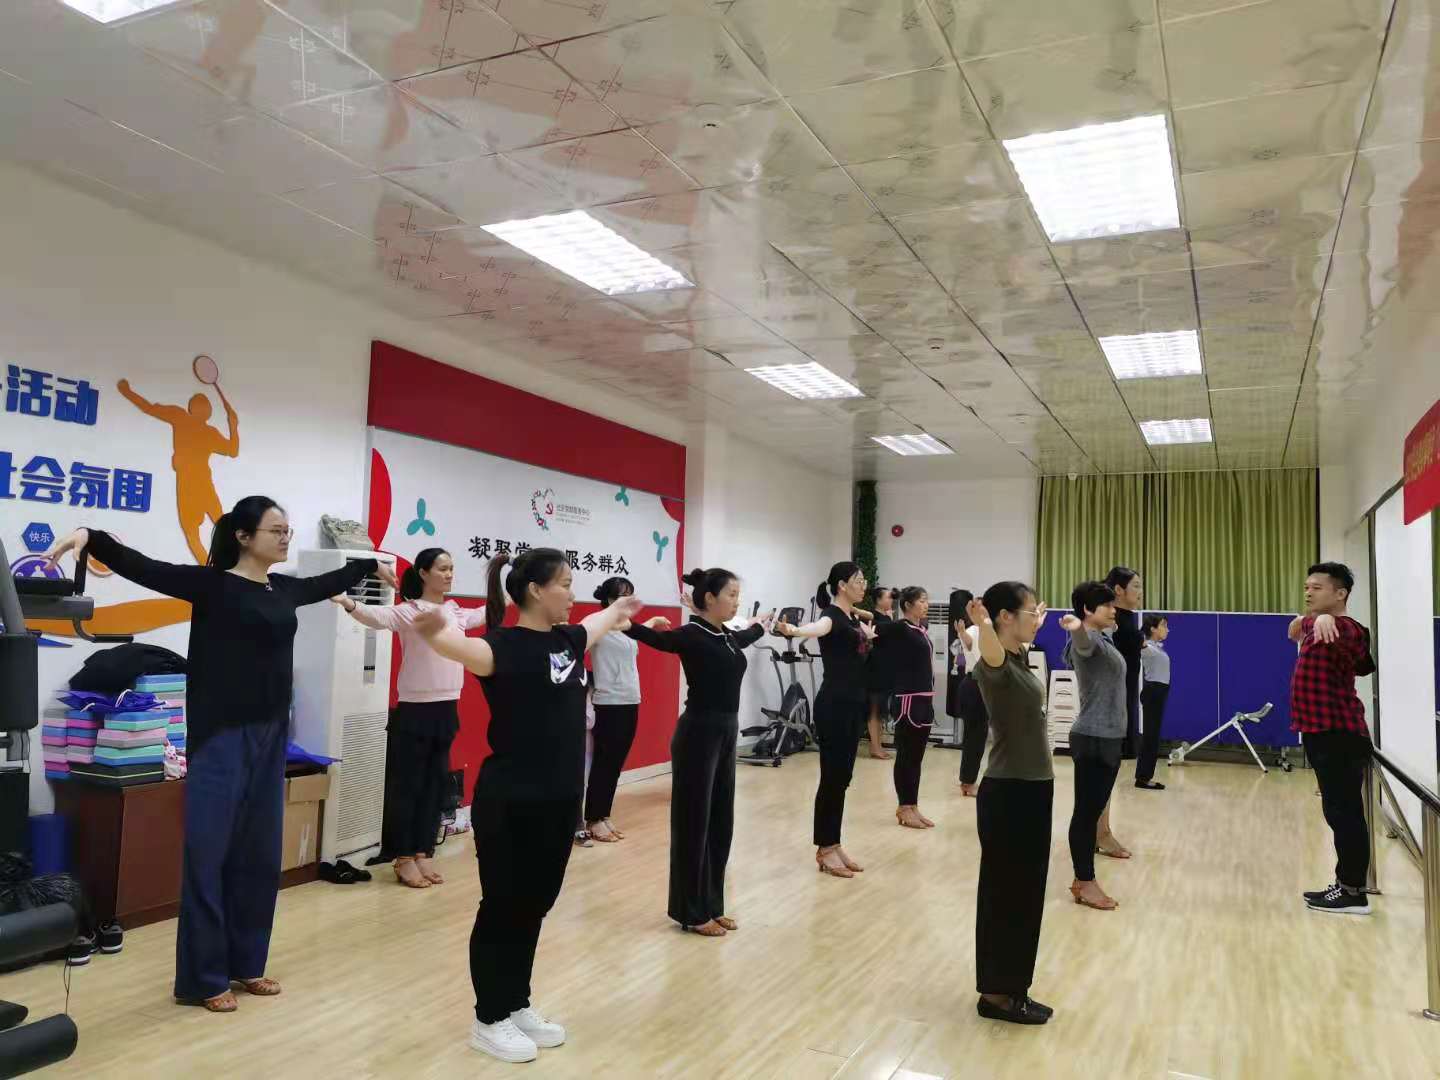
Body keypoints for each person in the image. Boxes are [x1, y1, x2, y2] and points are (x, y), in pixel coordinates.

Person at [44, 499, 396, 1013]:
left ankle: (247, 963)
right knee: (209, 857)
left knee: (259, 856)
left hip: (270, 737)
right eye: (275, 530)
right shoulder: (212, 585)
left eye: (288, 530)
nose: (285, 537)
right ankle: (203, 977)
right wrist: (91, 537)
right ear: (243, 537)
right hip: (221, 738)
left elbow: (327, 582)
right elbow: (145, 567)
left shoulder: (284, 589)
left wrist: (367, 564)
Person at [414, 549, 642, 1062]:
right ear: (536, 590)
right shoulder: (503, 647)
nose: (572, 593)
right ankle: (488, 1018)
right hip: (511, 801)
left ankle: (515, 1003)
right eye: (564, 583)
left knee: (536, 904)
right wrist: (432, 630)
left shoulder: (569, 639)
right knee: (503, 906)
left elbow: (598, 622)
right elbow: (457, 646)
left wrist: (619, 608)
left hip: (560, 801)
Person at [627, 568, 773, 936]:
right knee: (693, 824)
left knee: (720, 823)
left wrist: (762, 625)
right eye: (731, 595)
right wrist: (623, 621)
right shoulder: (691, 635)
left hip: (725, 733)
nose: (736, 601)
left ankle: (711, 904)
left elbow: (746, 636)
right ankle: (690, 912)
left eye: (738, 595)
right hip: (698, 735)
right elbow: (655, 639)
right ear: (709, 598)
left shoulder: (725, 636)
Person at [335, 547, 481, 887]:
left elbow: (486, 613)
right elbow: (377, 617)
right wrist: (349, 603)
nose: (449, 574)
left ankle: (422, 852)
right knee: (409, 787)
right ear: (424, 573)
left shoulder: (455, 612)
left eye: (451, 568)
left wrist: (516, 588)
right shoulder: (411, 611)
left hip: (447, 708)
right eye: (442, 568)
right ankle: (402, 857)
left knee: (434, 786)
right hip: (415, 712)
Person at [966, 585, 1054, 1026]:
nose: (1036, 619)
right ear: (1004, 616)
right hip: (1010, 791)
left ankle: (1014, 987)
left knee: (1026, 895)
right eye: (1028, 611)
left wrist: (1031, 623)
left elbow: (1014, 645)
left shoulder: (1018, 657)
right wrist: (983, 622)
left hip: (1033, 788)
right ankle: (997, 995)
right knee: (1006, 895)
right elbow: (989, 649)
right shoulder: (995, 663)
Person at [777, 561, 875, 878]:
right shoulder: (831, 616)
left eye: (864, 580)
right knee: (832, 778)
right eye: (858, 580)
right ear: (842, 585)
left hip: (854, 704)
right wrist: (794, 631)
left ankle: (834, 843)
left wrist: (867, 631)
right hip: (835, 706)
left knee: (843, 778)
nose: (864, 585)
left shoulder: (852, 617)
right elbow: (817, 628)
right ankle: (825, 847)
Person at [1290, 562, 1376, 916]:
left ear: (1340, 594)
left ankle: (1353, 892)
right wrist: (1308, 620)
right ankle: (1345, 884)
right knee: (1337, 812)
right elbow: (1300, 627)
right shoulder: (1319, 624)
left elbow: (1353, 637)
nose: (1308, 592)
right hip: (1322, 734)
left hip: (1339, 734)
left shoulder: (1347, 629)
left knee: (1345, 814)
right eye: (1307, 587)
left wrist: (1324, 620)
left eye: (1317, 587)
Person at [581, 577, 672, 845]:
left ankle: (602, 814)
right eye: (623, 595)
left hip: (631, 700)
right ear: (609, 599)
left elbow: (632, 636)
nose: (629, 600)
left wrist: (653, 622)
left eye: (631, 594)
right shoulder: (597, 622)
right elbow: (575, 642)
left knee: (614, 765)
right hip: (608, 703)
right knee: (604, 764)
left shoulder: (627, 626)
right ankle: (593, 819)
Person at [1060, 581, 1131, 912]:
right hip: (1094, 738)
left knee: (1092, 809)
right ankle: (1084, 881)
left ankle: (1084, 877)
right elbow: (1083, 643)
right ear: (1088, 610)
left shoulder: (1104, 639)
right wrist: (1077, 627)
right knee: (1086, 814)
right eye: (1107, 605)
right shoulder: (1087, 641)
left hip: (1108, 736)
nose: (1114, 609)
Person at [117, 376, 240, 565]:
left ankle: (215, 570)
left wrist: (233, 426)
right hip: (195, 484)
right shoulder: (193, 424)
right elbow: (233, 449)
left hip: (193, 484)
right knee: (209, 528)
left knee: (199, 532)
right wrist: (233, 427)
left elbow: (149, 408)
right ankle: (219, 570)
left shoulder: (190, 422)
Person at [878, 587, 936, 829]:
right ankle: (904, 807)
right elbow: (877, 626)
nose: (926, 604)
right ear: (908, 605)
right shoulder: (901, 628)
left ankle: (912, 805)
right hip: (908, 700)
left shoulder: (920, 629)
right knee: (906, 756)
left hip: (924, 699)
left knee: (917, 757)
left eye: (926, 600)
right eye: (921, 601)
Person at [950, 589, 989, 797]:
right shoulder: (973, 630)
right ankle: (968, 782)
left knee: (979, 737)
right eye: (977, 606)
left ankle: (969, 779)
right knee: (975, 737)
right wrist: (962, 633)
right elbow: (968, 641)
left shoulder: (990, 629)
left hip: (986, 686)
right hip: (974, 685)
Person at [1104, 566, 1144, 760]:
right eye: (1135, 586)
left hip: (1127, 694)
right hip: (1113, 700)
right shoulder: (1110, 619)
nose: (1140, 591)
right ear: (1119, 590)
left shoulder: (1128, 618)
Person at [1136, 614, 1171, 791]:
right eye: (1163, 625)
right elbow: (1138, 643)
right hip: (1153, 693)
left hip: (1158, 693)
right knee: (1150, 737)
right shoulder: (1148, 647)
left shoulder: (1157, 648)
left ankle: (1144, 776)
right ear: (1153, 629)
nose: (1167, 629)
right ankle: (1143, 778)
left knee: (1153, 736)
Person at [863, 586, 896, 760]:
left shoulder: (886, 618)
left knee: (881, 710)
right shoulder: (873, 617)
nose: (891, 600)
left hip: (885, 669)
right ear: (878, 600)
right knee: (874, 709)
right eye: (888, 597)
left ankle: (879, 745)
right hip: (874, 669)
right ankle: (875, 747)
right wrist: (890, 620)